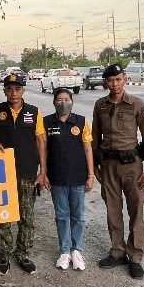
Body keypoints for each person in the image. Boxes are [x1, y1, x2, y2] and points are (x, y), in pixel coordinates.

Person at [91, 64, 144, 280]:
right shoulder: (100, 105)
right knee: (112, 210)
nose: (114, 84)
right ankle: (117, 251)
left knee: (136, 209)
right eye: (110, 80)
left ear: (124, 79)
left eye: (118, 80)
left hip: (132, 166)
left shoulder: (137, 104)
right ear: (106, 82)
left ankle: (135, 257)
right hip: (108, 165)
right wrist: (95, 166)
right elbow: (95, 137)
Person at [0, 73, 47, 275]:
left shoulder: (34, 112)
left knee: (26, 215)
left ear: (23, 91)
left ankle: (23, 254)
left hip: (27, 171)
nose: (14, 93)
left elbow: (41, 141)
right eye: (10, 89)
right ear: (4, 91)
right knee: (2, 213)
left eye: (17, 89)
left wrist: (43, 172)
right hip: (2, 173)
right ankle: (4, 254)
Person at [43, 88, 95, 271]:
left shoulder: (81, 122)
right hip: (57, 177)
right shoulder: (47, 122)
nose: (63, 102)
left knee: (78, 216)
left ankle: (76, 250)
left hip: (78, 177)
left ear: (72, 102)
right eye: (59, 99)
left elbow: (88, 149)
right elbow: (44, 150)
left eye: (67, 99)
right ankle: (65, 251)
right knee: (62, 215)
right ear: (54, 102)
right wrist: (44, 173)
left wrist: (91, 175)